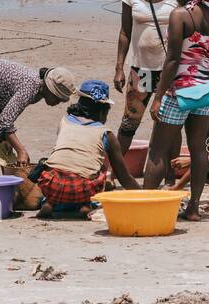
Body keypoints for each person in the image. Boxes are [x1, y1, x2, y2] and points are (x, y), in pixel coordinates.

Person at [145, 0, 209, 221]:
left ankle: (146, 203)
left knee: (157, 149)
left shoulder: (180, 15)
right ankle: (193, 207)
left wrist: (157, 97)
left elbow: (172, 61)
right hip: (204, 91)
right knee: (198, 149)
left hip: (179, 92)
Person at [0, 57, 77, 174]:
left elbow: (4, 123)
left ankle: (8, 182)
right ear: (49, 89)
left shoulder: (38, 89)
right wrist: (21, 150)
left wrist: (15, 145)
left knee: (4, 140)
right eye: (58, 97)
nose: (58, 103)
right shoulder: (31, 87)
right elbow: (5, 121)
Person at [32, 80, 140, 219]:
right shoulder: (106, 134)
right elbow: (124, 177)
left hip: (50, 184)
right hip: (82, 188)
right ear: (103, 112)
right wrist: (142, 194)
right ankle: (85, 205)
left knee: (61, 163)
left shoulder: (65, 121)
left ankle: (50, 203)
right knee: (99, 166)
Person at [113, 0, 178, 155]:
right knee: (129, 123)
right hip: (140, 70)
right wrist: (119, 68)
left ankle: (169, 174)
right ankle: (114, 171)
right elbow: (125, 32)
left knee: (170, 126)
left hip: (170, 71)